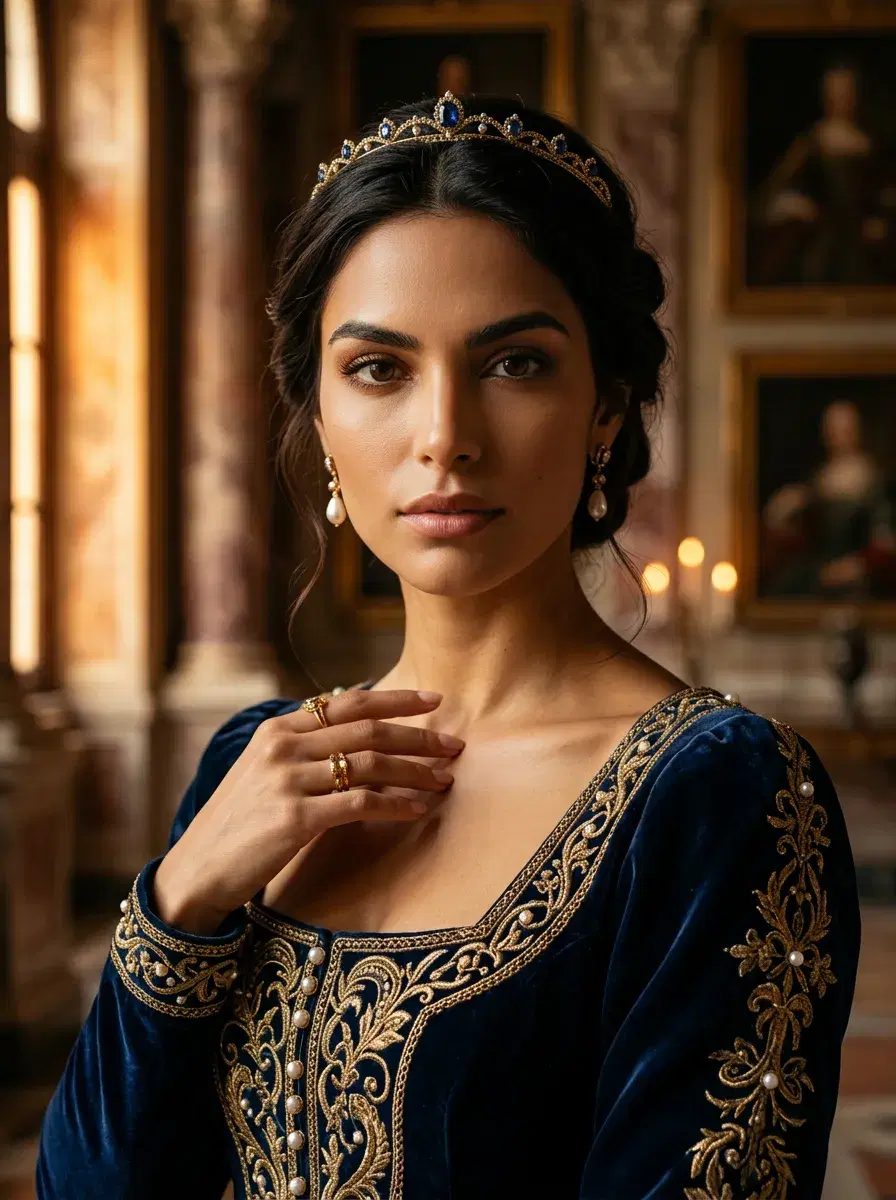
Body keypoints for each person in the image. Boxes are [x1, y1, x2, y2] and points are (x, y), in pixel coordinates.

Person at [37, 91, 861, 1199]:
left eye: (513, 363)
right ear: (319, 416)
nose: (444, 439)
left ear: (605, 410)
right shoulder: (254, 765)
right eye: (379, 370)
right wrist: (179, 900)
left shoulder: (717, 795)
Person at [750, 62, 895, 286]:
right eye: (836, 91)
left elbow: (885, 191)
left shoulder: (871, 142)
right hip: (824, 235)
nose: (842, 98)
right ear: (826, 95)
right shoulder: (813, 142)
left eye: (847, 91)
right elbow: (779, 187)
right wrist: (795, 203)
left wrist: (880, 219)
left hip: (865, 238)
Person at [761, 396, 896, 598]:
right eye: (831, 428)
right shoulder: (818, 479)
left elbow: (884, 541)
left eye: (844, 428)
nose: (836, 435)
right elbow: (799, 535)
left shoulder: (873, 479)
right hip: (819, 572)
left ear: (857, 430)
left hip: (859, 577)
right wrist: (782, 509)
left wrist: (856, 566)